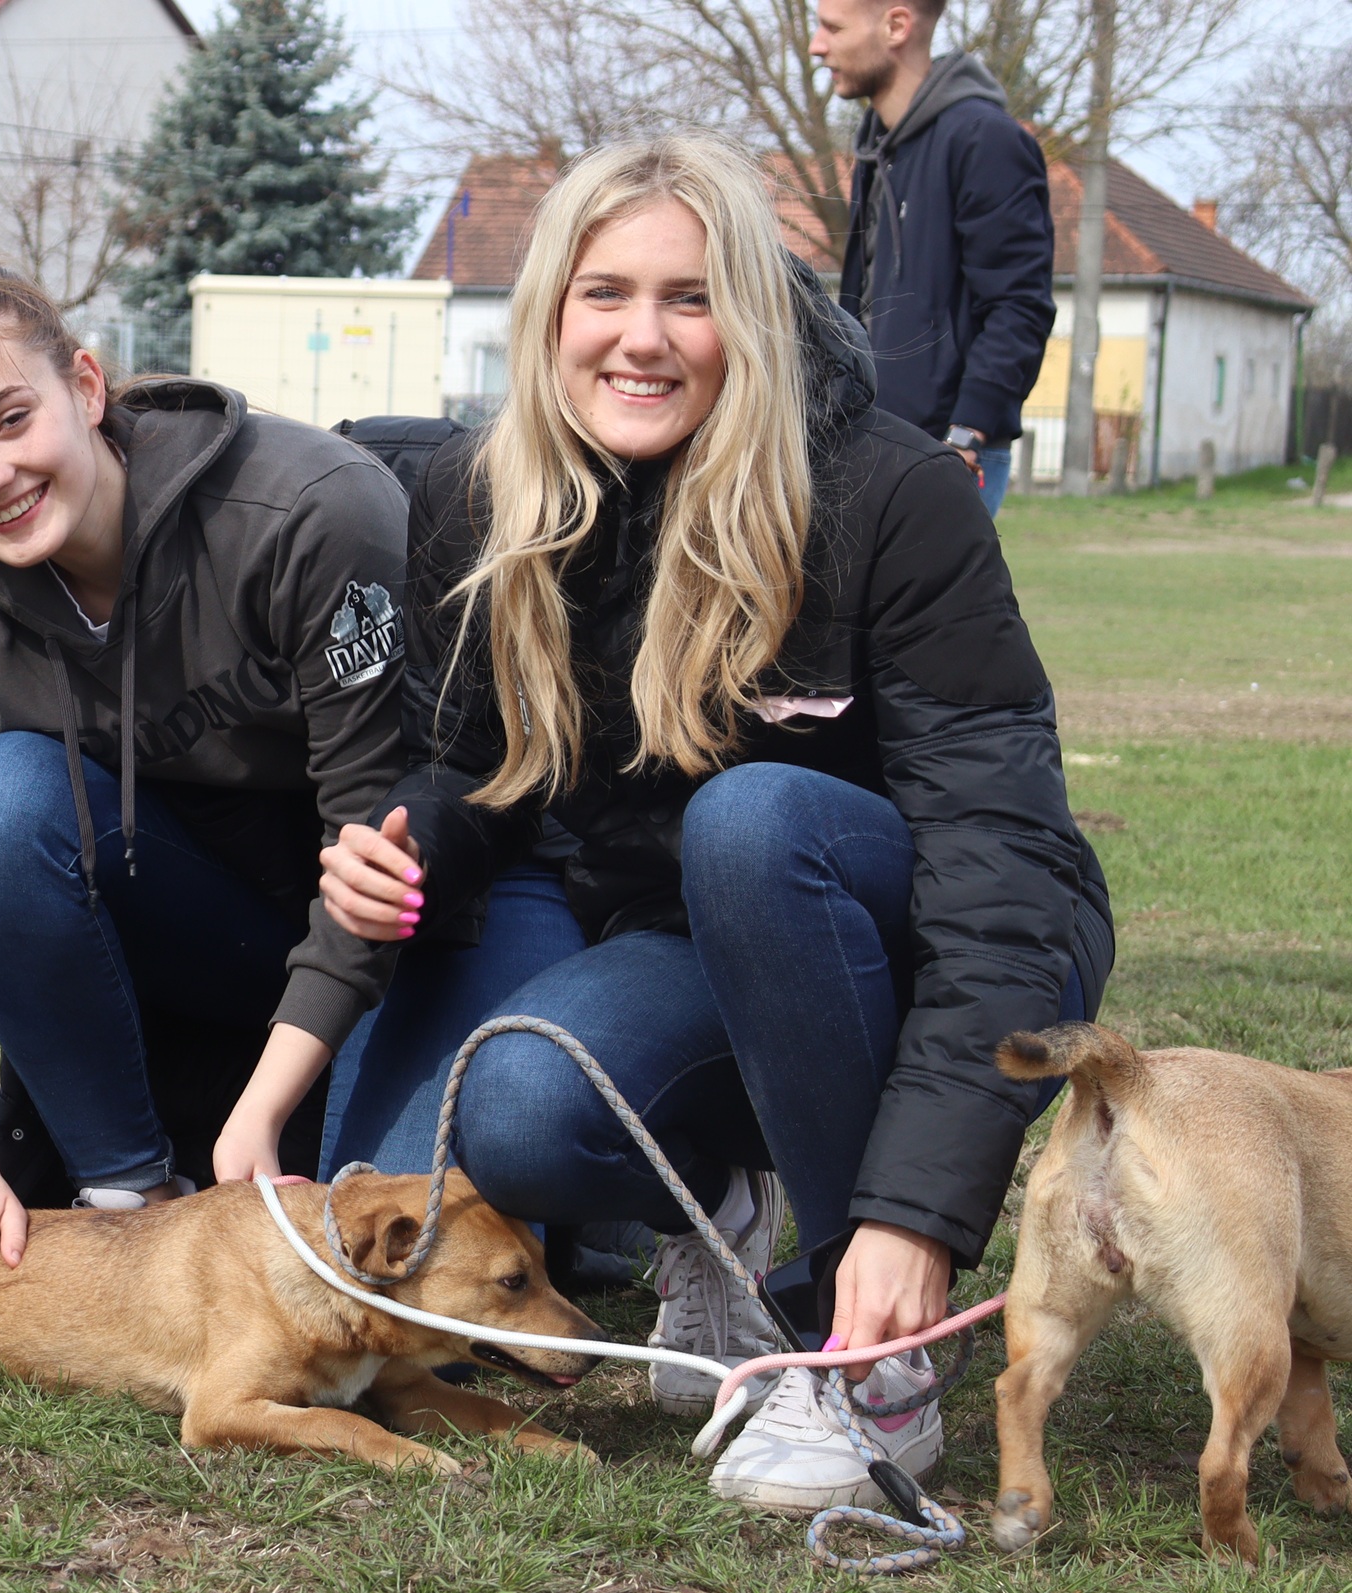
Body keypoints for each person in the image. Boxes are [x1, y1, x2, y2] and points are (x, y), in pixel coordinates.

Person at [319, 134, 1111, 1513]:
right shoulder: (481, 493)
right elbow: (475, 769)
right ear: (547, 314)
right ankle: (725, 1224)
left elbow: (1003, 874)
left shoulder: (891, 494)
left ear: (751, 312)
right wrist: (411, 840)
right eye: (604, 294)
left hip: (940, 936)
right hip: (696, 939)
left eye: (690, 298)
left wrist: (912, 1215)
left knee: (748, 825)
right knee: (514, 1113)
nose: (644, 338)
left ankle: (864, 1356)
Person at [0, 264, 411, 1327]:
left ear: (89, 388)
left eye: (10, 418)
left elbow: (376, 850)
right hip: (184, 963)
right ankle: (131, 1192)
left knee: (409, 1288)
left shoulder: (309, 511)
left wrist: (261, 1116)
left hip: (371, 964)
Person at [814, 0, 1056, 514]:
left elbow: (1019, 305)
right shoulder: (878, 149)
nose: (818, 46)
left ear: (896, 25)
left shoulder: (985, 141)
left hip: (950, 453)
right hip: (872, 443)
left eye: (832, 27)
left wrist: (968, 431)